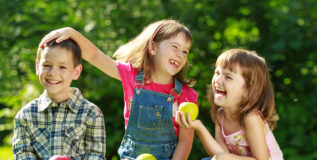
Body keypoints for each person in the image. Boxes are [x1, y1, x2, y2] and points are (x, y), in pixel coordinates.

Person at [39, 19, 198, 160]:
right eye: (175, 47)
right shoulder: (132, 77)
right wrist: (71, 33)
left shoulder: (185, 95)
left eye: (185, 51)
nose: (180, 55)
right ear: (153, 47)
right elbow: (95, 56)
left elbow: (185, 141)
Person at [176, 49, 283, 160]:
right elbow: (218, 153)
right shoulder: (221, 115)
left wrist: (225, 158)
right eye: (217, 73)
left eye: (228, 77)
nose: (218, 80)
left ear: (248, 89)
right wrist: (199, 127)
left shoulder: (251, 117)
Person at [13, 38, 106, 160]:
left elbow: (96, 155)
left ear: (76, 72)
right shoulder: (25, 116)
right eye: (47, 65)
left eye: (62, 67)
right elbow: (23, 155)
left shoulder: (91, 114)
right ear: (37, 66)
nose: (52, 73)